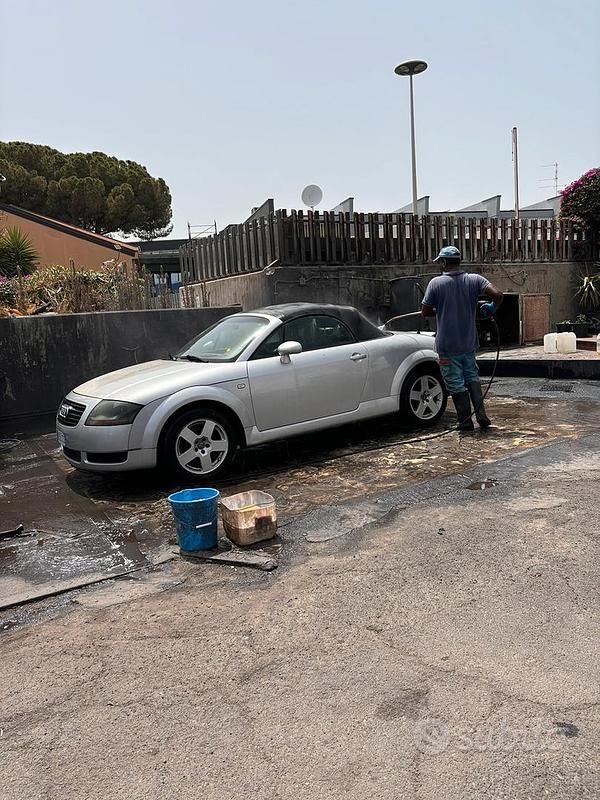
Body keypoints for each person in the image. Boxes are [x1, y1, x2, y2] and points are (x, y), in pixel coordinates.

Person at [421, 246, 503, 431]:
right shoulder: (474, 280)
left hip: (447, 346)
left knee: (455, 383)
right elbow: (498, 295)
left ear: (443, 263)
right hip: (468, 343)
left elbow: (425, 311)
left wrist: (441, 308)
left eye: (440, 263)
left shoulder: (436, 283)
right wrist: (491, 308)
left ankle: (465, 422)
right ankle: (481, 416)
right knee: (472, 376)